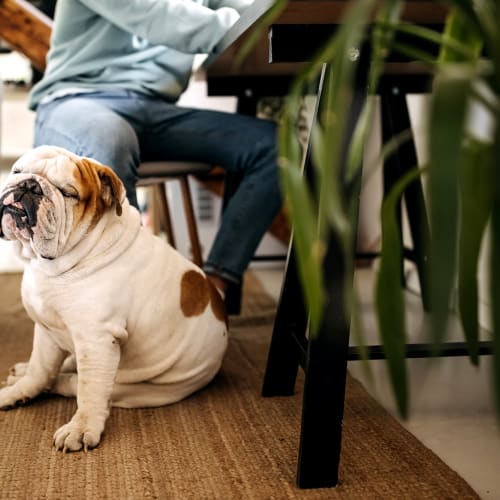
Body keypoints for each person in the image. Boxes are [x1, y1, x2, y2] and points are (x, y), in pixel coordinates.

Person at [28, 0, 282, 299]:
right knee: (112, 138)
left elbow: (251, 9)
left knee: (276, 145)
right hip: (77, 100)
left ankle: (211, 290)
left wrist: (273, 18)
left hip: (154, 110)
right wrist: (249, 29)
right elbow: (153, 14)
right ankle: (128, 298)